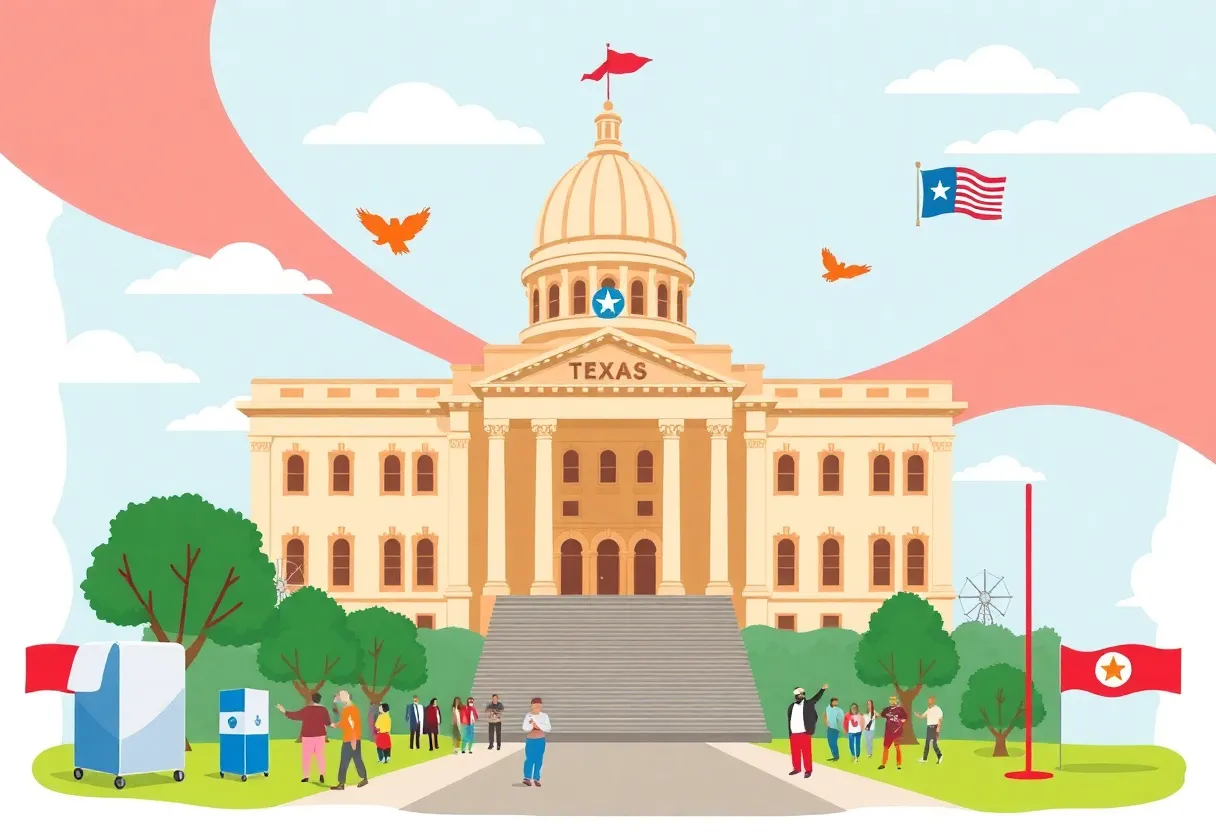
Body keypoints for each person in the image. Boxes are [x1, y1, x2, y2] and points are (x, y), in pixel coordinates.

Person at [277, 693, 329, 784]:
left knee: (306, 757)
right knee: (320, 756)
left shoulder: (307, 709)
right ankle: (322, 774)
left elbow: (295, 715)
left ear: (312, 699)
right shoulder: (323, 710)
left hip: (307, 736)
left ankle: (306, 776)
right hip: (320, 736)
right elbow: (327, 722)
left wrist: (284, 711)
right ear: (320, 700)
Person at [330, 689, 369, 789]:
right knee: (352, 760)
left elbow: (353, 725)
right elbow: (344, 723)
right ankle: (359, 779)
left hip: (351, 740)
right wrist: (336, 725)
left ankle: (344, 783)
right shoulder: (347, 709)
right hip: (351, 739)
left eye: (340, 698)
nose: (340, 700)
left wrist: (353, 740)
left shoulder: (351, 709)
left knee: (350, 760)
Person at [786, 683, 827, 778]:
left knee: (806, 753)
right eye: (798, 694)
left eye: (801, 694)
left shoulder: (809, 704)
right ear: (795, 696)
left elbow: (816, 698)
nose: (800, 696)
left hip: (804, 733)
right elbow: (789, 720)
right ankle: (797, 768)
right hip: (794, 734)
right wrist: (790, 734)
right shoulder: (791, 706)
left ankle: (808, 770)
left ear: (804, 695)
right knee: (795, 753)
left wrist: (822, 689)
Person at [521, 697, 551, 787]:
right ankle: (527, 778)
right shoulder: (528, 716)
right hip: (530, 740)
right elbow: (525, 727)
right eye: (535, 705)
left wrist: (537, 725)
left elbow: (548, 728)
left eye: (539, 706)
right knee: (529, 758)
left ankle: (536, 778)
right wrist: (532, 726)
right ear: (532, 706)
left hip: (540, 740)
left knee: (539, 759)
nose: (537, 707)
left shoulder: (544, 716)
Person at [878, 695, 909, 771]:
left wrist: (901, 722)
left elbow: (905, 718)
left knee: (897, 747)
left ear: (896, 701)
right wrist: (880, 712)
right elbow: (881, 714)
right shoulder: (887, 709)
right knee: (886, 748)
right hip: (888, 732)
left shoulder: (900, 709)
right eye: (891, 700)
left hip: (897, 732)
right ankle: (883, 764)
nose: (892, 702)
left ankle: (899, 764)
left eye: (893, 700)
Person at [916, 695, 944, 764]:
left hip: (934, 727)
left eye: (930, 700)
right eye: (928, 700)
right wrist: (918, 715)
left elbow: (940, 719)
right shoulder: (928, 709)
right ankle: (924, 758)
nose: (929, 701)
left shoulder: (937, 709)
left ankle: (940, 755)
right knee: (927, 743)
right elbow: (923, 716)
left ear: (933, 701)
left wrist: (938, 728)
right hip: (929, 728)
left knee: (934, 744)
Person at [824, 697, 845, 762]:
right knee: (830, 743)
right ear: (831, 702)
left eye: (837, 702)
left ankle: (836, 756)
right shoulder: (828, 708)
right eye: (835, 702)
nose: (836, 703)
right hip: (830, 728)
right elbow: (825, 715)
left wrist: (842, 728)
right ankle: (834, 756)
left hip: (835, 728)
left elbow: (842, 720)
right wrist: (826, 722)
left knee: (833, 742)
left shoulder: (839, 710)